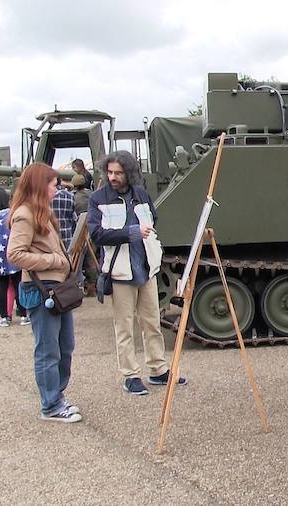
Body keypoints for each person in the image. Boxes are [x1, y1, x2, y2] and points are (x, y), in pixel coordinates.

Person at [87, 150, 185, 395]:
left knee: (152, 322)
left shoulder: (141, 194)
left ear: (129, 174)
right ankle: (130, 374)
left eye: (118, 173)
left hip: (146, 267)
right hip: (120, 271)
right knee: (124, 326)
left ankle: (158, 369)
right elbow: (96, 234)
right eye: (109, 172)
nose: (112, 177)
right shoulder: (98, 198)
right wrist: (130, 232)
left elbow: (154, 218)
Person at [7, 163, 82, 423]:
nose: (57, 189)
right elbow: (15, 254)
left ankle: (57, 396)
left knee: (65, 345)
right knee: (48, 349)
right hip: (42, 290)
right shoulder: (25, 214)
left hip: (57, 288)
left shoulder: (43, 213)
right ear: (41, 185)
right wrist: (53, 260)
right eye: (53, 185)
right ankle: (50, 404)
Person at [0, 188, 29, 327]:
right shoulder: (12, 214)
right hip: (12, 250)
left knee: (2, 285)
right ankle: (23, 315)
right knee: (17, 284)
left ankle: (4, 317)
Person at [71, 173, 97, 297]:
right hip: (93, 229)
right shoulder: (92, 195)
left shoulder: (73, 198)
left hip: (79, 230)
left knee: (78, 260)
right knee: (92, 260)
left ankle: (77, 287)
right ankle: (93, 286)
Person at [51, 176, 77, 250]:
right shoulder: (69, 196)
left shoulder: (44, 197)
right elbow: (74, 219)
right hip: (67, 237)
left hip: (51, 240)